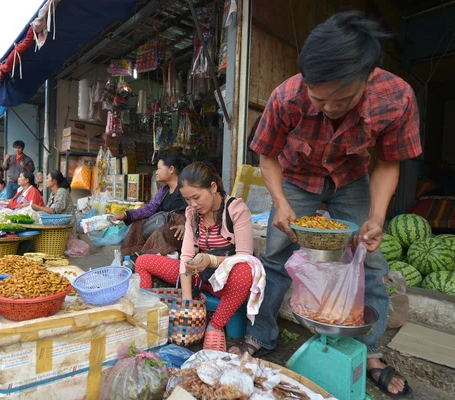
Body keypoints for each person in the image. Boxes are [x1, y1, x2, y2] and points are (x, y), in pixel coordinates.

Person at [236, 12, 420, 397]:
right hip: (297, 179)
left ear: (368, 77)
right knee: (276, 254)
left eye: (342, 100)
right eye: (319, 100)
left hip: (352, 180)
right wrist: (281, 203)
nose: (330, 108)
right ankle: (262, 332)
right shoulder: (287, 95)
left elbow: (388, 160)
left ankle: (369, 352)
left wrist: (377, 216)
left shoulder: (396, 97)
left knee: (369, 259)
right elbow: (267, 156)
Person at [135, 162, 254, 352]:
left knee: (246, 270)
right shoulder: (192, 214)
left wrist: (210, 260)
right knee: (143, 261)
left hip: (226, 283)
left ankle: (215, 326)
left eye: (196, 197)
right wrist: (187, 302)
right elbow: (187, 255)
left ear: (213, 187)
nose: (193, 205)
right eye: (187, 199)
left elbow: (245, 256)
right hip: (199, 276)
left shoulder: (236, 209)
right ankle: (146, 315)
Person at [112, 154, 189, 258]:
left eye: (159, 168)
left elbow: (196, 211)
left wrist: (187, 226)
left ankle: (142, 259)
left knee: (161, 233)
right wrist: (127, 214)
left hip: (180, 229)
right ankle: (129, 257)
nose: (156, 172)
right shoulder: (164, 190)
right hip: (163, 222)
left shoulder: (186, 188)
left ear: (171, 169)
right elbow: (150, 208)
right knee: (137, 225)